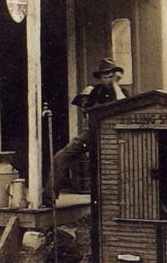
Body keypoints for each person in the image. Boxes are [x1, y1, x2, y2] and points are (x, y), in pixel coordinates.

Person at [47, 57, 127, 203]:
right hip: (92, 133)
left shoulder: (122, 92)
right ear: (100, 78)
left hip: (114, 135)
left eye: (111, 77)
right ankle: (49, 197)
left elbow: (123, 105)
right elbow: (87, 111)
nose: (108, 80)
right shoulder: (96, 92)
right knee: (61, 157)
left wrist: (116, 84)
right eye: (105, 77)